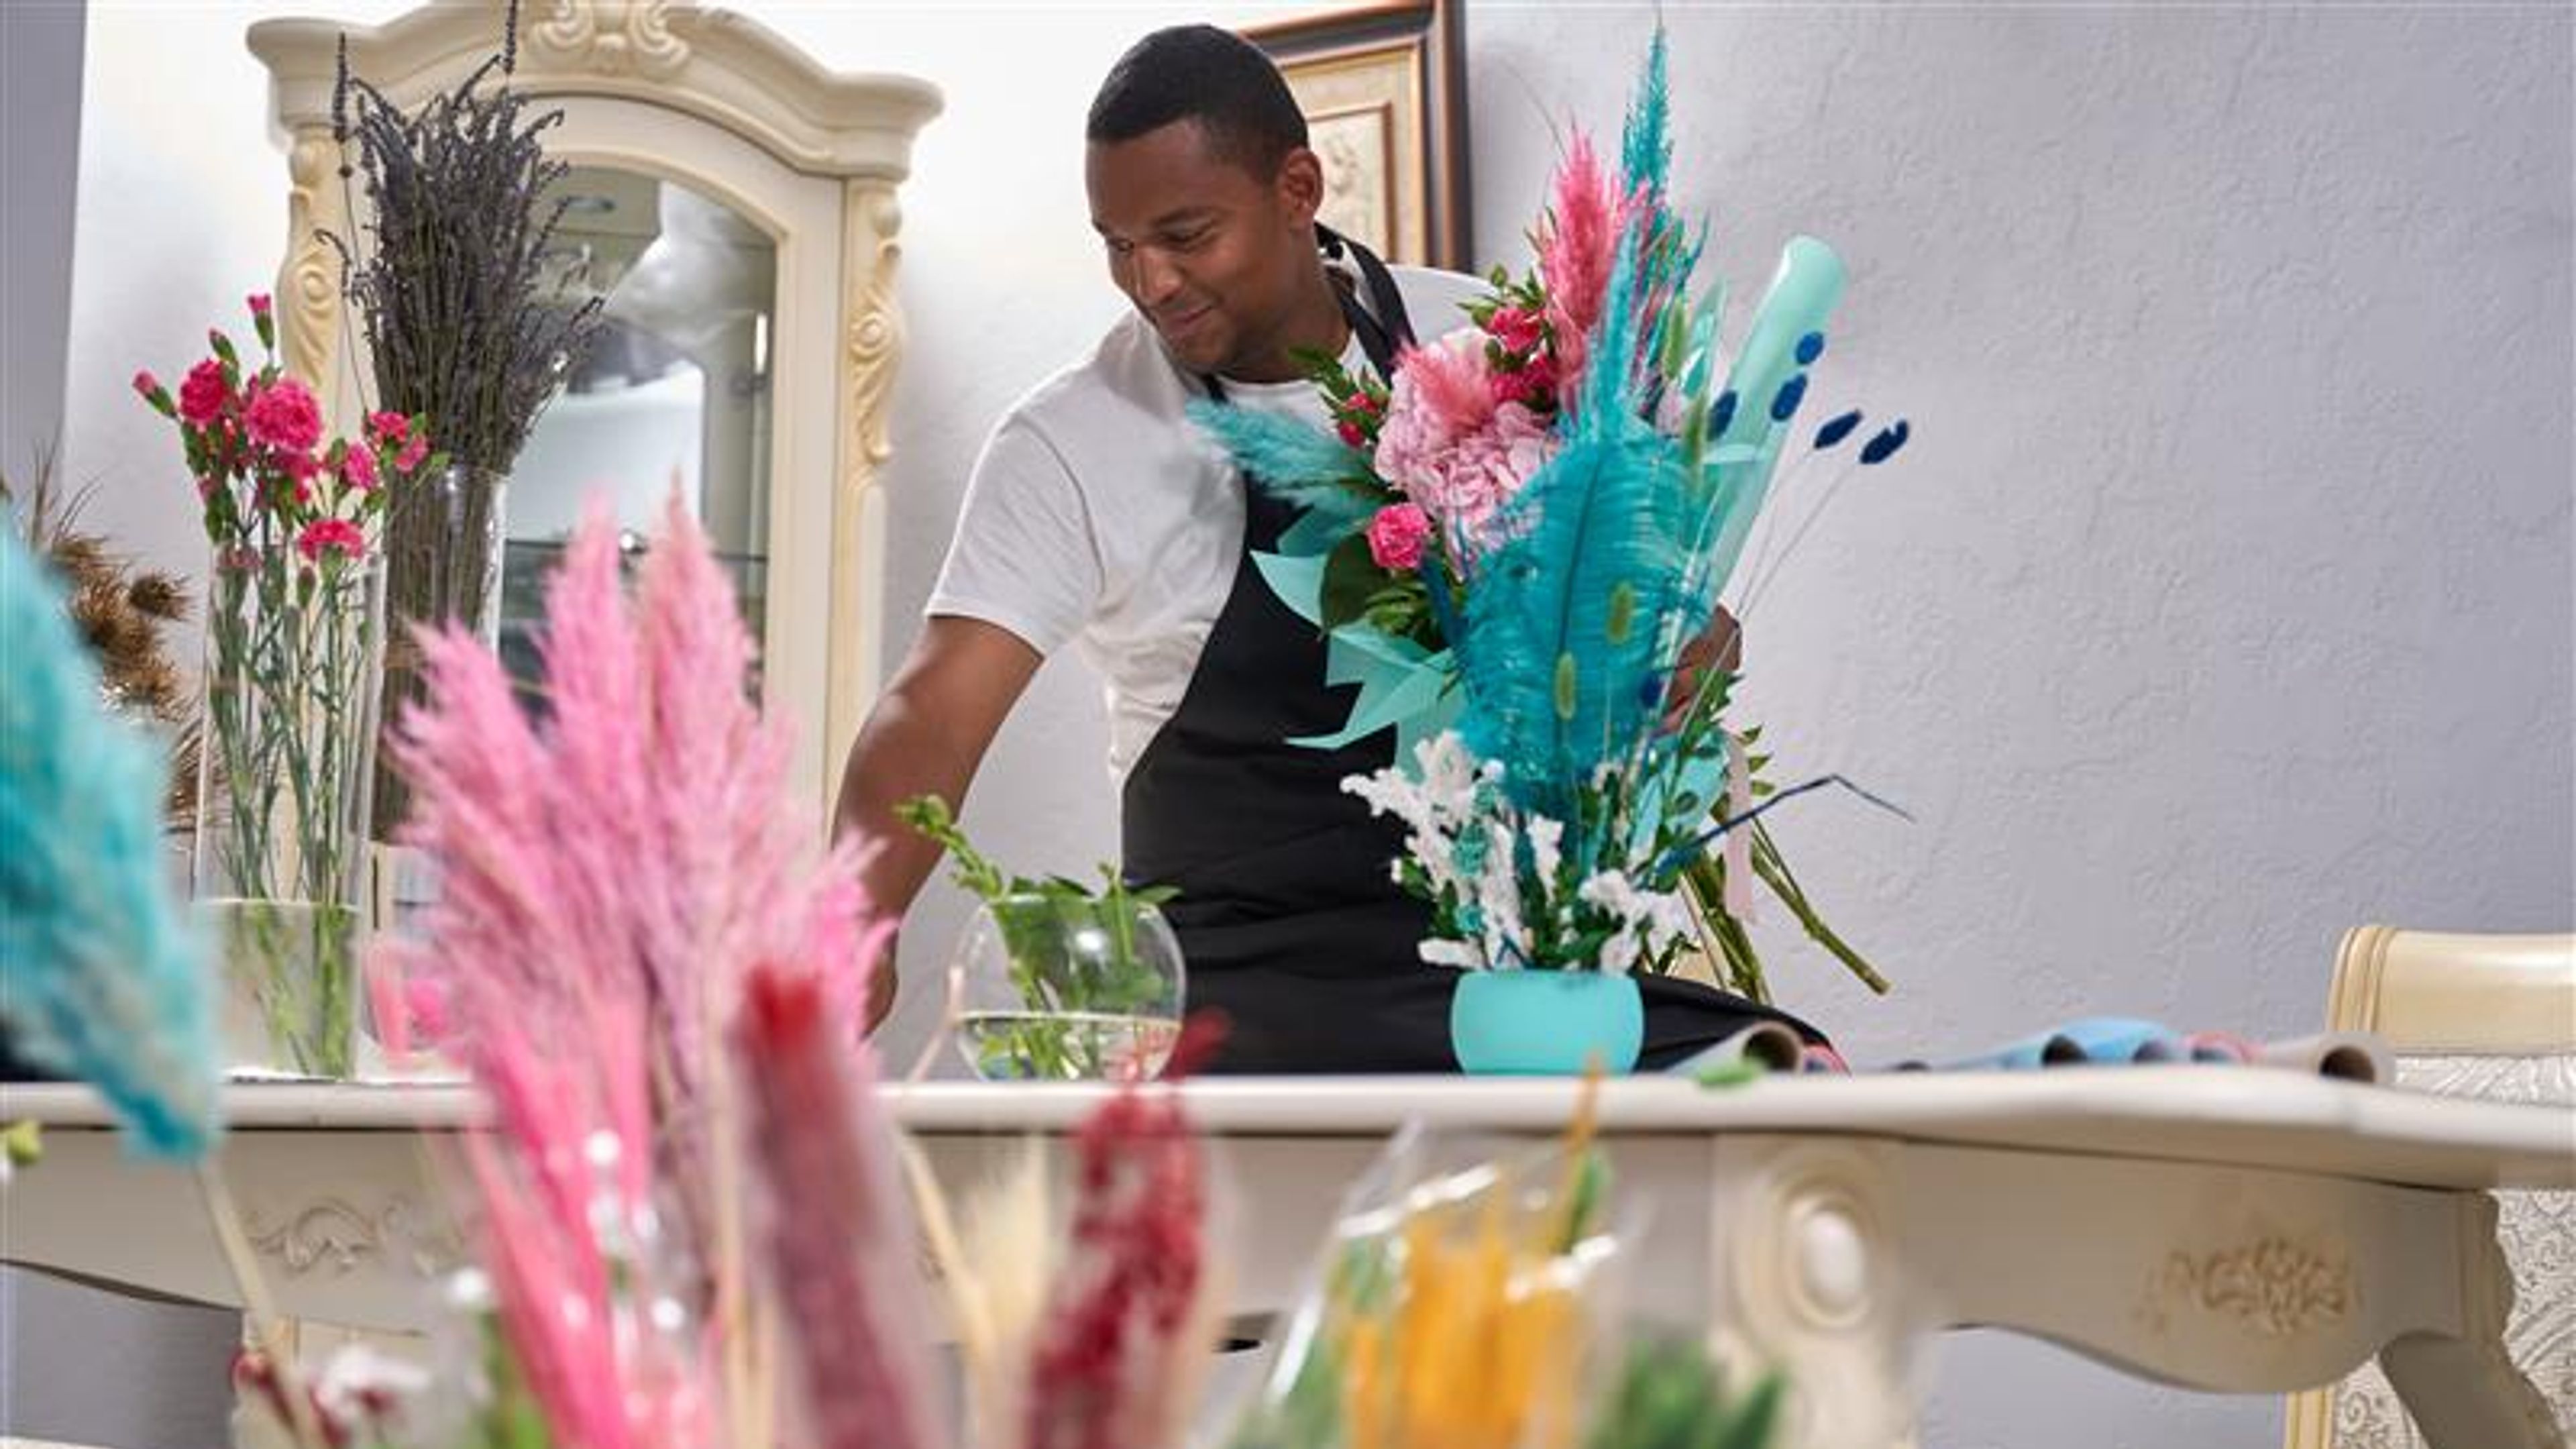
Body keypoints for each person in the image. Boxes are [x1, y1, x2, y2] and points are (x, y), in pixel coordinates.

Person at [835, 23, 1819, 1071]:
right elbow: (934, 704)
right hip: (1229, 985)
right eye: (1118, 245)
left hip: (1499, 961)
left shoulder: (1488, 341)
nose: (1150, 280)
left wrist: (1697, 640)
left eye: (1186, 234)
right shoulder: (1071, 437)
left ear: (1298, 188)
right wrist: (855, 918)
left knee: (1782, 1064)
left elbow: (1644, 592)